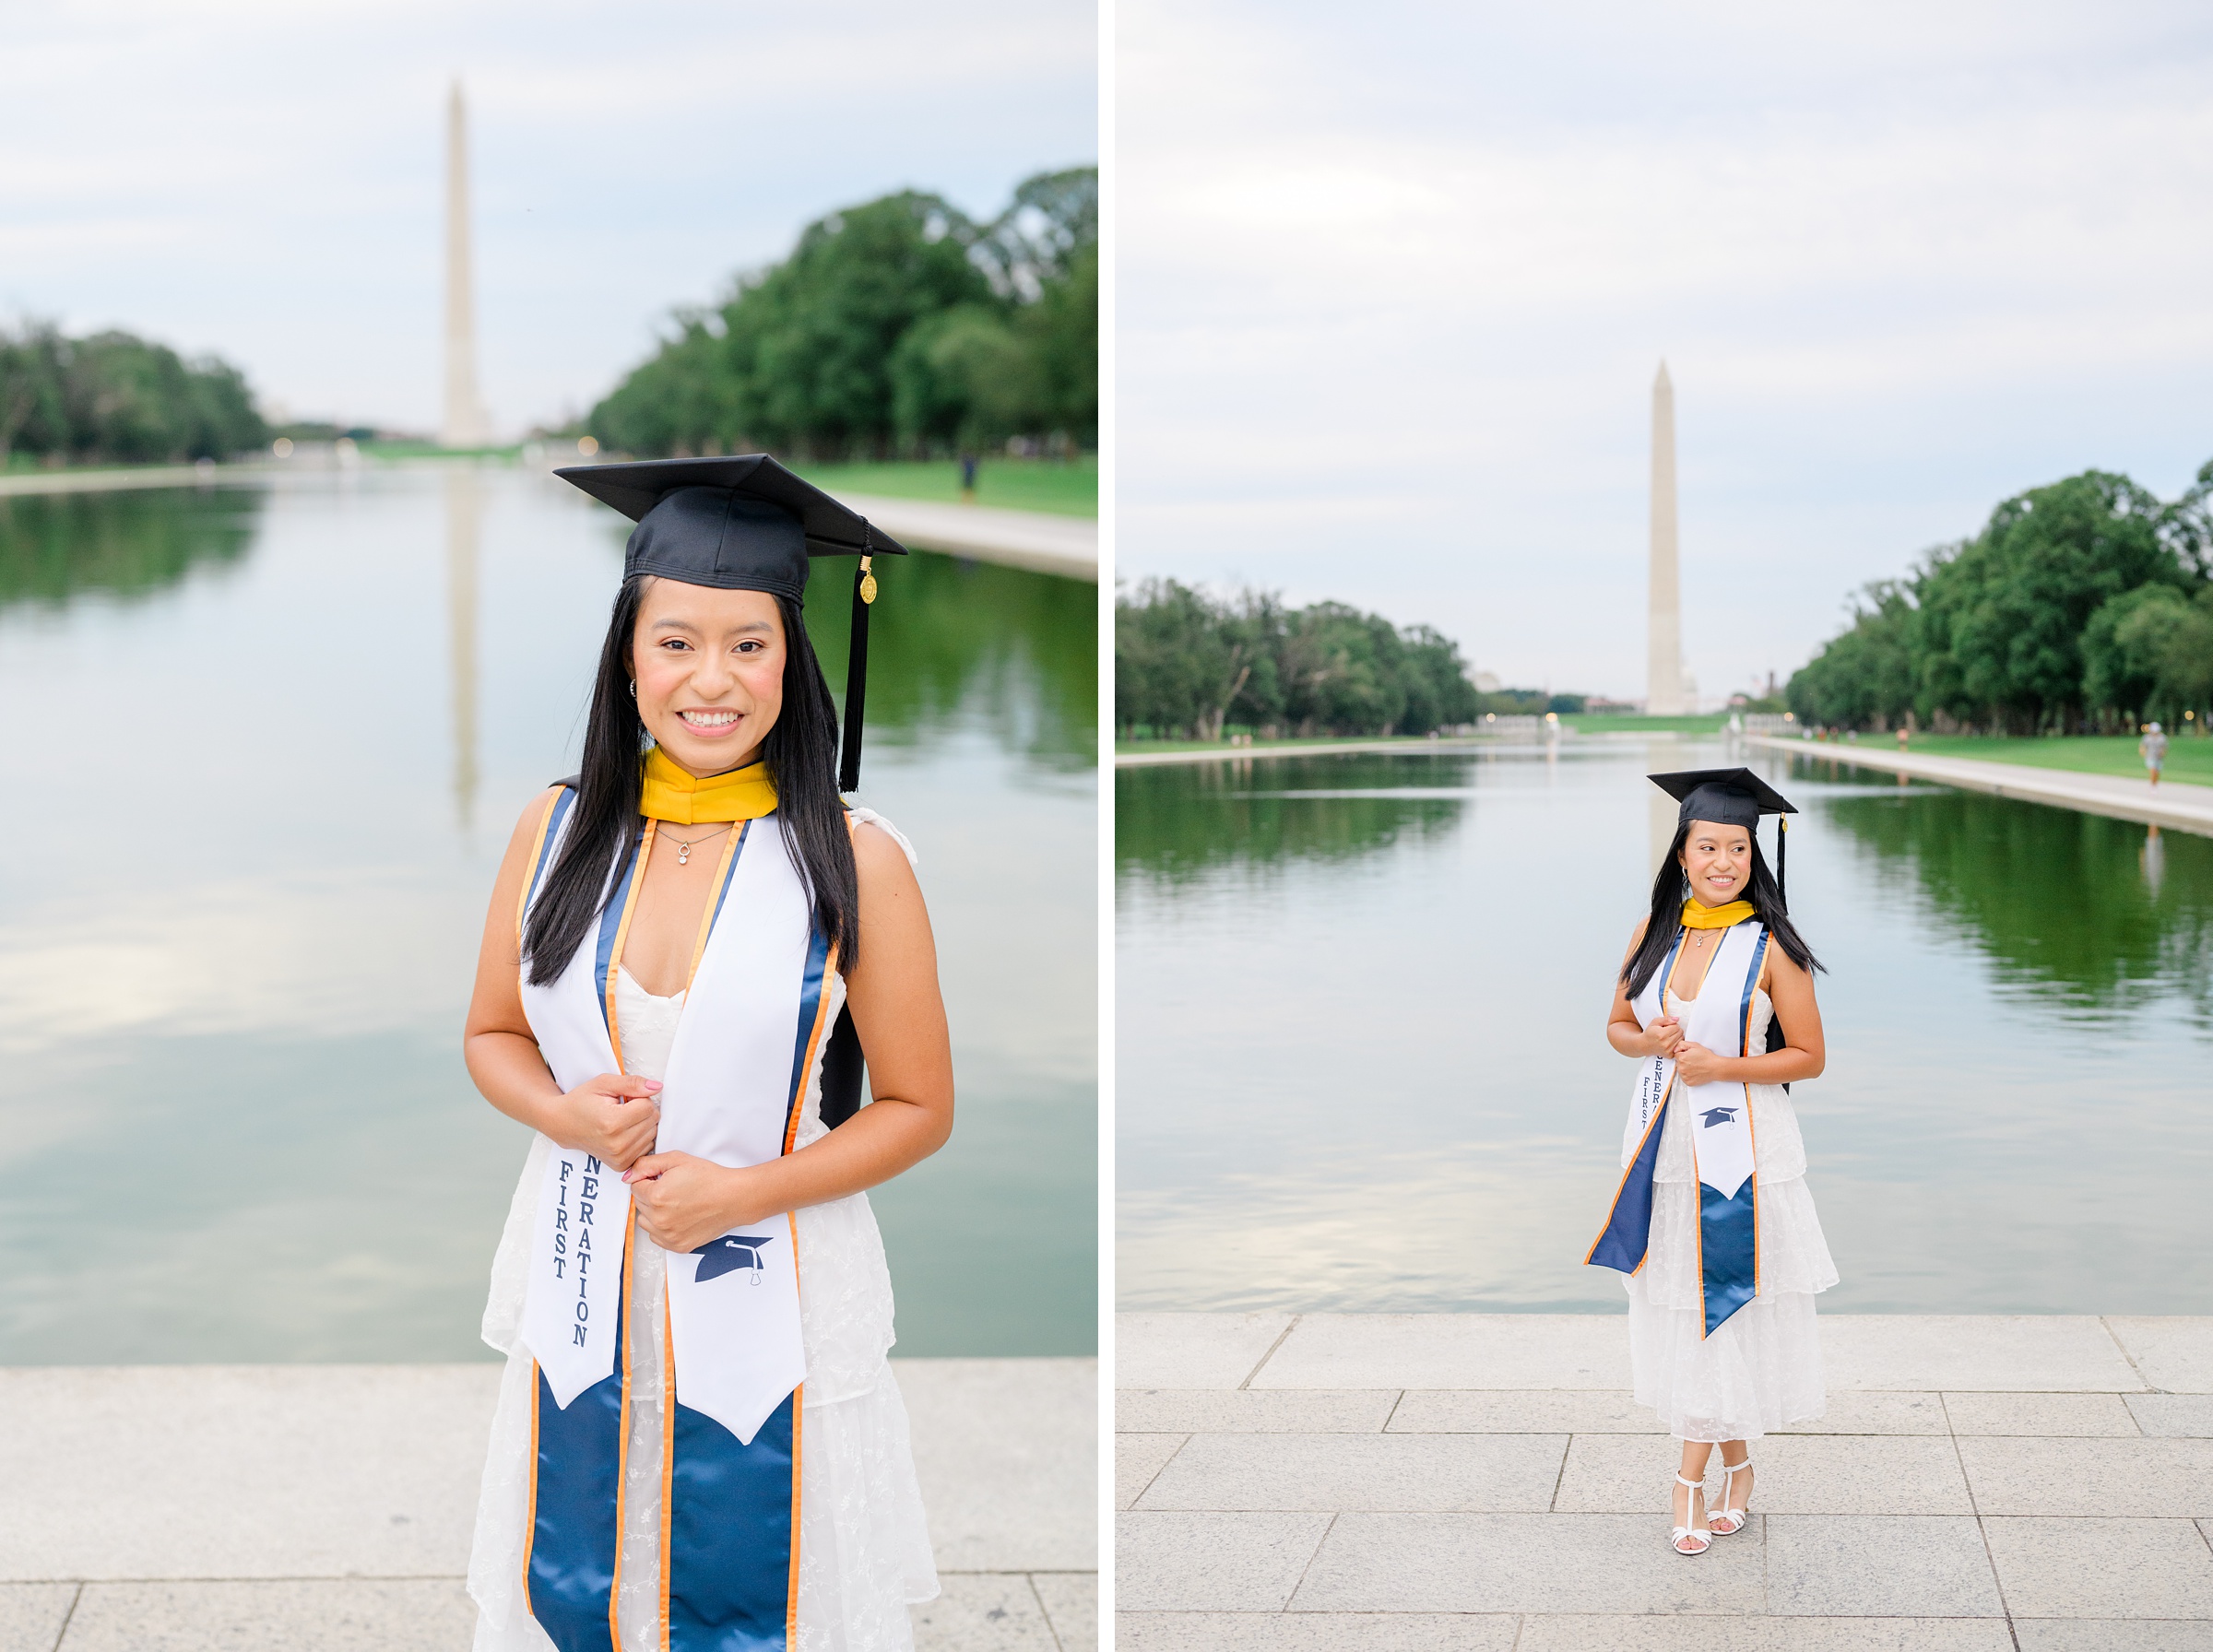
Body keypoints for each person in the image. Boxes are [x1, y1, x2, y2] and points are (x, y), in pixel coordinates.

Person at [461, 455, 953, 1650]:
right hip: (586, 1268)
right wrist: (568, 1113)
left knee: (772, 1593)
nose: (712, 680)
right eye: (677, 642)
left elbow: (918, 1106)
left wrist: (745, 1190)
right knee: (588, 1577)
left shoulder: (852, 855)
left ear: (793, 660)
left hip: (768, 1277)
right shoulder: (559, 827)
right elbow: (491, 1038)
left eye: (749, 644)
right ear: (628, 659)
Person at [1587, 767, 1836, 1556]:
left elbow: (1810, 1057)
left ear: (1752, 855)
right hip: (1664, 1145)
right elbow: (1618, 1028)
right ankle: (1739, 1462)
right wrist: (1651, 1041)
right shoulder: (1652, 932)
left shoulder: (1772, 946)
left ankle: (1687, 1479)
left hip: (1744, 1151)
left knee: (1720, 1301)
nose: (1722, 859)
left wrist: (1724, 1066)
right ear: (1684, 853)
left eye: (1737, 846)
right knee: (1692, 1307)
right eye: (1708, 846)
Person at [2142, 721, 2168, 787]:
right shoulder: (2147, 738)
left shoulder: (2162, 738)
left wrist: (2162, 753)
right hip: (2150, 757)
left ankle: (2154, 785)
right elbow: (2143, 746)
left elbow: (2164, 747)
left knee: (2157, 773)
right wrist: (2144, 753)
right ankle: (2152, 787)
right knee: (2153, 771)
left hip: (2158, 758)